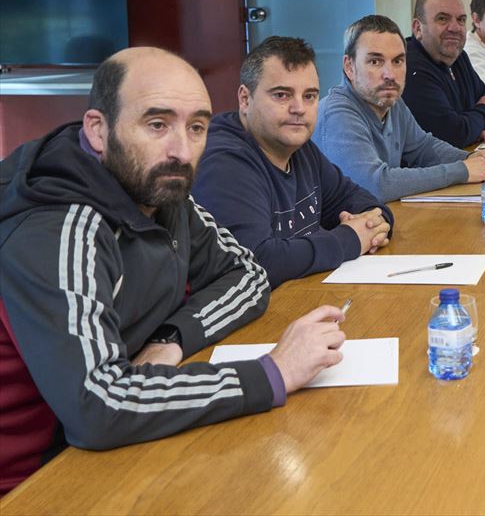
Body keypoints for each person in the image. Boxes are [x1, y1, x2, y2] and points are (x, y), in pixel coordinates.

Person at [0, 48, 347, 494]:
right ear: (98, 130)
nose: (182, 150)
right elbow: (97, 407)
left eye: (197, 127)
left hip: (98, 446)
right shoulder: (61, 227)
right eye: (157, 124)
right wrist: (273, 372)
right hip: (34, 481)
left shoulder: (160, 191)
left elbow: (248, 275)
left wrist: (172, 339)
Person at [192, 37, 394, 289]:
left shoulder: (299, 148)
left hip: (298, 302)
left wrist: (377, 222)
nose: (299, 108)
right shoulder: (223, 162)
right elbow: (257, 261)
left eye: (310, 96)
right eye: (281, 95)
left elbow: (361, 200)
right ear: (245, 99)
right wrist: (351, 238)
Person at [315, 14, 485, 201]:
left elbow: (424, 147)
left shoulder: (391, 102)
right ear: (349, 67)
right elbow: (375, 185)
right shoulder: (337, 113)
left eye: (397, 61)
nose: (390, 75)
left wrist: (469, 159)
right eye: (375, 62)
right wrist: (462, 170)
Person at [402, 0, 485, 149]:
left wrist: (479, 124)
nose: (455, 28)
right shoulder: (410, 67)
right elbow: (452, 133)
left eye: (461, 20)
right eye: (443, 19)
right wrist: (483, 114)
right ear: (417, 28)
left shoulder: (459, 57)